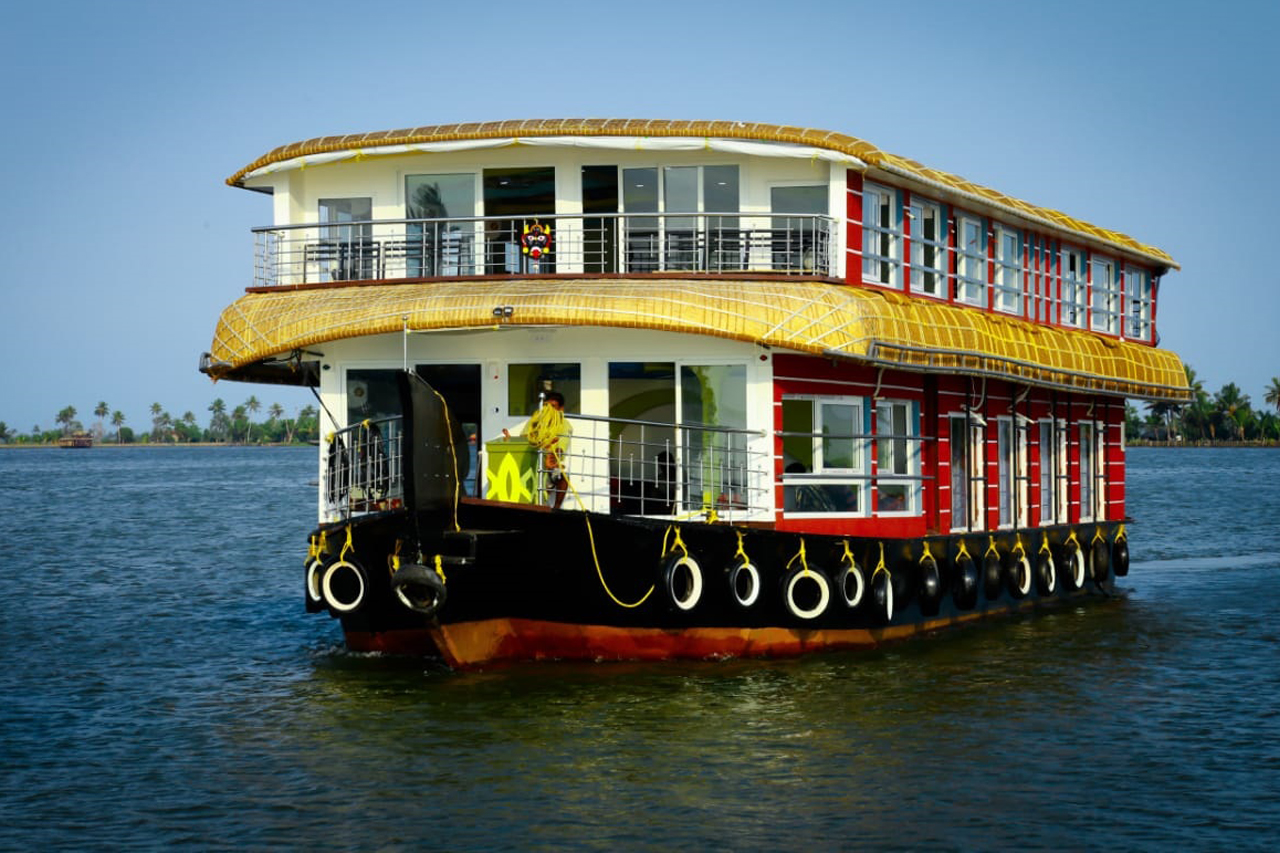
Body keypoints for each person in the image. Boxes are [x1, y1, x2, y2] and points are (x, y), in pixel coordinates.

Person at [503, 391, 572, 509]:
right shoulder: (534, 422)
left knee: (563, 476)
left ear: (561, 409)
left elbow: (562, 445)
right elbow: (524, 439)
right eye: (546, 407)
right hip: (532, 461)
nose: (549, 410)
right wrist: (510, 440)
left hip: (550, 463)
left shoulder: (564, 424)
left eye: (553, 407)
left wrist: (553, 458)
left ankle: (556, 508)